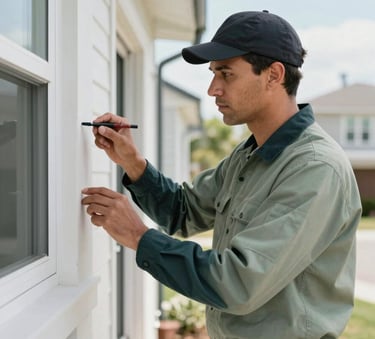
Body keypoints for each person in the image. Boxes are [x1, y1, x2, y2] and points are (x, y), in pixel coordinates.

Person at [81, 10, 362, 339]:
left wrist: (138, 236)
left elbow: (237, 283)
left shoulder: (314, 168)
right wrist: (133, 162)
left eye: (226, 74)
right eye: (214, 74)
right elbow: (182, 211)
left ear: (273, 75)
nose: (213, 89)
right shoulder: (250, 154)